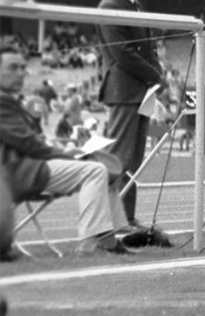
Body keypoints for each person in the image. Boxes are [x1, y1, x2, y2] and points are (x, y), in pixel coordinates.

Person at [0, 47, 135, 255]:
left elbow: (27, 140)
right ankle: (91, 243)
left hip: (27, 166)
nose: (20, 73)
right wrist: (66, 154)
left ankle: (108, 240)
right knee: (95, 170)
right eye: (13, 68)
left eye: (22, 68)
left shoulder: (10, 100)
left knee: (102, 165)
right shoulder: (2, 102)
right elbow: (26, 143)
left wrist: (67, 150)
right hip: (15, 173)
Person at [97, 0, 163, 228]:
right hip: (124, 91)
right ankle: (111, 220)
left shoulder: (135, 5)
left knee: (134, 160)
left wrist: (156, 76)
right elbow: (122, 53)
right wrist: (155, 75)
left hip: (141, 90)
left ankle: (128, 217)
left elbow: (148, 48)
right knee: (120, 158)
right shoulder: (110, 5)